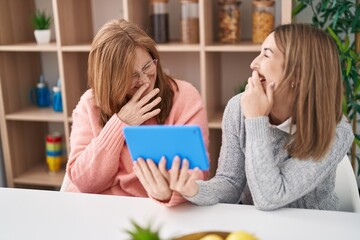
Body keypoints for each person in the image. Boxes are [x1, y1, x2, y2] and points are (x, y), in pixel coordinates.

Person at [164, 23, 354, 210]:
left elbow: (270, 197)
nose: (253, 63)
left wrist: (256, 120)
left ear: (298, 74)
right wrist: (194, 190)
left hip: (316, 227)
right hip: (257, 226)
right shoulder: (238, 108)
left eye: (266, 55)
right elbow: (230, 183)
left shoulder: (335, 131)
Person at [64, 19, 209, 207]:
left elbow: (198, 177)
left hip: (156, 210)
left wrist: (168, 194)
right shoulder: (90, 103)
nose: (145, 81)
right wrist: (121, 122)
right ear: (109, 80)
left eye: (148, 66)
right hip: (95, 206)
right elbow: (83, 181)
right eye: (131, 75)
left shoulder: (184, 97)